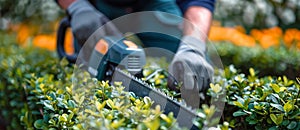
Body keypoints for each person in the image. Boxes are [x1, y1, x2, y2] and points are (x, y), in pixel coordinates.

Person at [56, 0, 214, 94]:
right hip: (98, 5)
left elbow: (200, 2)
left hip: (155, 4)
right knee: (86, 71)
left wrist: (193, 45)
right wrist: (77, 6)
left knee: (194, 70)